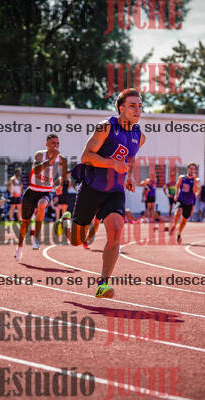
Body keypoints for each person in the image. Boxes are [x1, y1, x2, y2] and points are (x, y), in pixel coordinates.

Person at [54, 88, 146, 298]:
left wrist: (129, 176)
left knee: (116, 229)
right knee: (77, 240)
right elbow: (86, 156)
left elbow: (130, 157)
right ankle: (65, 221)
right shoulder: (106, 127)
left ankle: (102, 284)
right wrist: (112, 164)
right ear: (120, 108)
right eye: (132, 105)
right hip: (92, 188)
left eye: (140, 106)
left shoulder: (140, 137)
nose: (137, 110)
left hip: (115, 191)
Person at [14, 134, 68, 260]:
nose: (55, 145)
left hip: (45, 192)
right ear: (46, 145)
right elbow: (36, 170)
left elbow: (63, 175)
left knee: (42, 205)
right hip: (32, 191)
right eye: (53, 143)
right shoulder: (39, 155)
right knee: (25, 223)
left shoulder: (62, 160)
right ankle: (19, 247)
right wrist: (50, 160)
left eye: (57, 143)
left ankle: (36, 237)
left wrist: (59, 185)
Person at [169, 163, 199, 244]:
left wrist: (195, 182)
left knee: (184, 221)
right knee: (178, 212)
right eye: (191, 168)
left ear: (195, 171)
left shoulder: (196, 180)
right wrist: (176, 194)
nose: (192, 170)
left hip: (189, 202)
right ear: (188, 169)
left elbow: (194, 191)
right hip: (181, 199)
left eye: (193, 169)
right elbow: (177, 185)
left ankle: (179, 233)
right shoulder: (182, 177)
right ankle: (174, 225)